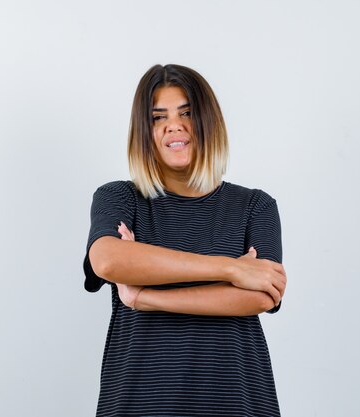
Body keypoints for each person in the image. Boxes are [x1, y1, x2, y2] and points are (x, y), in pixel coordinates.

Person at [82, 64, 287, 416]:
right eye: (158, 117)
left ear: (209, 122)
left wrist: (145, 297)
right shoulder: (120, 198)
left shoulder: (255, 206)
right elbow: (107, 260)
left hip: (236, 401)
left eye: (187, 113)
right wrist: (231, 269)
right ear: (144, 133)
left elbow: (260, 296)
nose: (173, 125)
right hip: (141, 401)